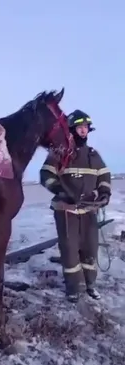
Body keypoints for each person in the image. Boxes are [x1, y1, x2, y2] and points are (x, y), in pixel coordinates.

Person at [39, 109, 111, 302]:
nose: (83, 131)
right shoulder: (59, 152)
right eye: (79, 128)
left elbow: (104, 176)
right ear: (71, 130)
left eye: (86, 128)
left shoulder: (93, 155)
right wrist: (60, 192)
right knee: (70, 251)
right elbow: (45, 175)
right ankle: (73, 289)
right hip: (66, 212)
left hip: (89, 212)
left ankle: (90, 285)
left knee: (90, 250)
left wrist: (104, 193)